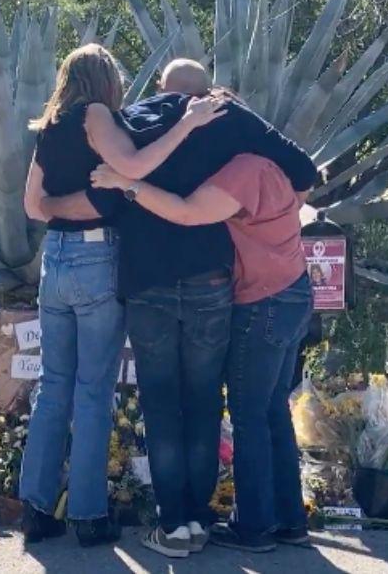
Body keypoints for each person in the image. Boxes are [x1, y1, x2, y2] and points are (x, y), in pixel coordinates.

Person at [41, 59, 317, 558]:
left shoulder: (128, 125)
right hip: (213, 283)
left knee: (162, 403)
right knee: (206, 400)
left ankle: (176, 523)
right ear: (207, 92)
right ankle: (204, 514)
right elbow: (300, 171)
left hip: (148, 283)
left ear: (159, 89)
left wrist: (49, 208)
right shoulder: (230, 122)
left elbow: (101, 195)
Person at [20, 45, 224, 548]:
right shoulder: (95, 114)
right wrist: (187, 123)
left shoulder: (50, 125)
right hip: (95, 260)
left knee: (53, 385)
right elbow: (133, 165)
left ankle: (35, 507)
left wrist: (61, 205)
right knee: (92, 389)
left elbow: (34, 205)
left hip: (56, 260)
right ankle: (87, 515)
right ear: (104, 79)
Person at [92, 147, 314, 552]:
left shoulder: (242, 171)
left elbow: (187, 212)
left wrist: (127, 182)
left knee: (248, 415)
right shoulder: (273, 166)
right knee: (272, 409)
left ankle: (255, 527)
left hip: (261, 301)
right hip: (293, 289)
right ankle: (289, 521)